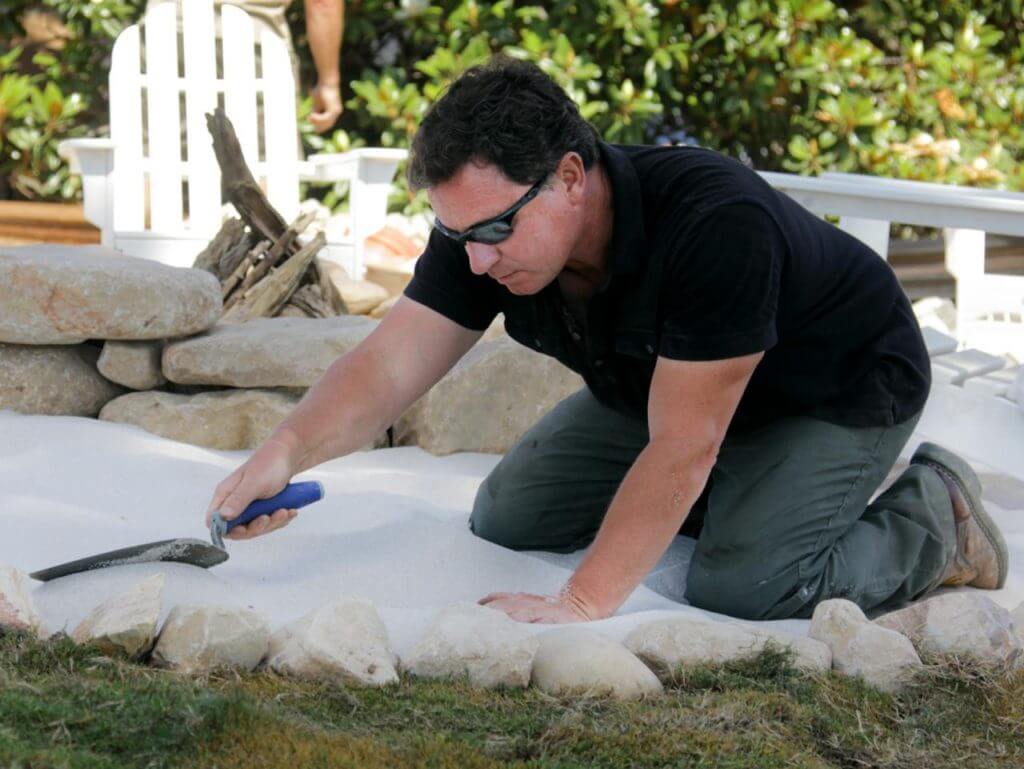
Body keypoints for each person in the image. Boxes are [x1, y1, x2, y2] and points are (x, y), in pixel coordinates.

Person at [204, 56, 1008, 624]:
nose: (474, 258)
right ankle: (743, 500)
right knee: (509, 516)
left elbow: (687, 443)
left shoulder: (715, 225)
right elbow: (388, 363)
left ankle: (937, 515)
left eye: (491, 230)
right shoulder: (480, 235)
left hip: (838, 388)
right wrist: (282, 453)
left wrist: (583, 601)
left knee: (746, 585)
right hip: (670, 387)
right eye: (457, 233)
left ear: (569, 177)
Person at [146, 0, 345, 133]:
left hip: (163, 35)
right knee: (264, 167)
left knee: (153, 163)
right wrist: (329, 83)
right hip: (257, 44)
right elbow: (322, 3)